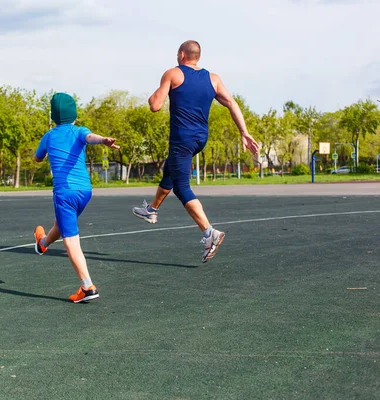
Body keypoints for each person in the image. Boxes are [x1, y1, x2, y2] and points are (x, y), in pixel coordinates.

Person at [131, 40, 260, 263]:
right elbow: (232, 103)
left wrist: (155, 94)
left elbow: (155, 106)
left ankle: (209, 232)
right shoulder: (213, 78)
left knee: (181, 188)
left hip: (182, 139)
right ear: (197, 56)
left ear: (182, 54)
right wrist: (244, 132)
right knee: (170, 171)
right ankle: (152, 209)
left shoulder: (173, 74)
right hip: (200, 139)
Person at [33, 92, 119, 303]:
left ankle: (87, 286)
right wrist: (104, 141)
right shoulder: (80, 131)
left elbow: (37, 158)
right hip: (85, 192)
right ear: (74, 114)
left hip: (65, 193)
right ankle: (42, 243)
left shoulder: (49, 136)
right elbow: (91, 138)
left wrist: (44, 153)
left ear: (53, 116)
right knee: (61, 224)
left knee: (71, 240)